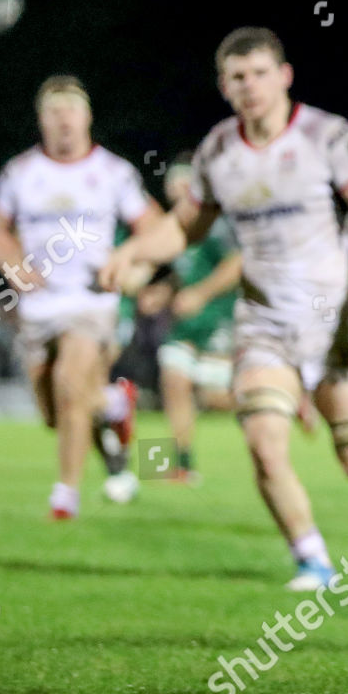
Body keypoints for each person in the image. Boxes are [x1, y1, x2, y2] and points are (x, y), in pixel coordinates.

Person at [101, 27, 348, 590]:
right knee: (264, 443)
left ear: (285, 76)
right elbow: (183, 228)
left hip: (335, 320)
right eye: (237, 77)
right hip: (264, 323)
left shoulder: (328, 136)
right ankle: (312, 557)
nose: (250, 87)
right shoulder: (219, 150)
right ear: (224, 86)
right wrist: (133, 251)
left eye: (260, 73)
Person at [0, 76, 160, 519]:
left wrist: (132, 266)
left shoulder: (114, 172)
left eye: (71, 110)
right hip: (39, 306)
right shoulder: (20, 173)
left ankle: (66, 495)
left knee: (68, 384)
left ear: (87, 117)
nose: (63, 120)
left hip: (90, 301)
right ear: (41, 120)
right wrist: (11, 266)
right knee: (52, 412)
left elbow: (154, 228)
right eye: (54, 112)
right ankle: (114, 402)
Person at [136, 155, 243, 482]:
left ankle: (281, 398)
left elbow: (237, 264)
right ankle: (181, 464)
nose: (176, 190)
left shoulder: (216, 224)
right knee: (174, 379)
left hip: (219, 318)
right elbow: (186, 275)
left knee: (214, 397)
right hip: (186, 323)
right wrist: (164, 292)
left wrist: (202, 294)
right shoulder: (176, 228)